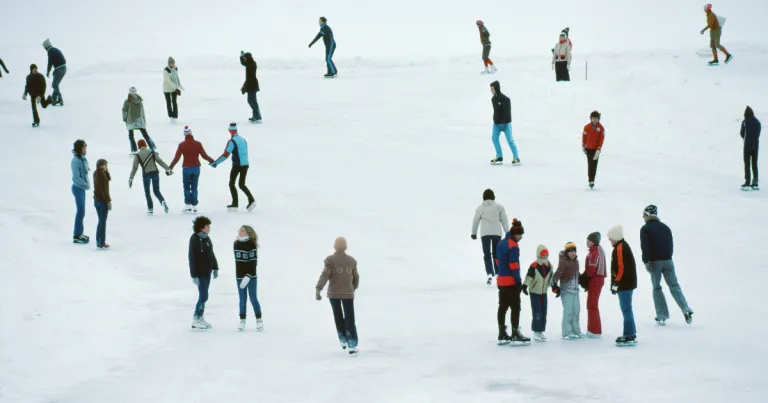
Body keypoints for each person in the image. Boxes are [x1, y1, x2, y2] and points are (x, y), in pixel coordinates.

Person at [640, 205, 694, 325]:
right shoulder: (666, 228)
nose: (643, 217)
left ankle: (662, 315)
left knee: (657, 287)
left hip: (655, 262)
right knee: (674, 285)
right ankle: (686, 309)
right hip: (668, 261)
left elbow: (645, 247)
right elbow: (671, 244)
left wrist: (646, 261)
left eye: (644, 215)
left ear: (648, 215)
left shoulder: (645, 229)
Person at [316, 237, 360, 354]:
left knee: (338, 315)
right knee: (349, 317)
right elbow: (356, 278)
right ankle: (352, 344)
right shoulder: (351, 260)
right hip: (348, 293)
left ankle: (342, 338)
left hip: (333, 293)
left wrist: (318, 288)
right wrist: (352, 288)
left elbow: (325, 275)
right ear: (345, 246)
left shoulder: (330, 260)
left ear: (335, 246)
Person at [495, 219, 530, 345]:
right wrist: (518, 281)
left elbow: (497, 261)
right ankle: (515, 333)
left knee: (502, 307)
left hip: (501, 281)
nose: (521, 237)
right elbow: (514, 265)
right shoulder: (513, 246)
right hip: (511, 282)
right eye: (520, 235)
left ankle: (502, 333)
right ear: (515, 234)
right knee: (515, 307)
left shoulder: (500, 243)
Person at [211, 123, 257, 211]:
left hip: (237, 165)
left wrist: (216, 163)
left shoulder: (232, 141)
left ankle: (235, 204)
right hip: (245, 164)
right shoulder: (243, 139)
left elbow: (225, 155)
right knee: (242, 184)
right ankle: (251, 200)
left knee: (232, 183)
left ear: (230, 131)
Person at [169, 126, 215, 213]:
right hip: (196, 168)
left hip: (186, 168)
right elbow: (204, 156)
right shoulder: (198, 144)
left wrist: (170, 167)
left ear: (185, 135)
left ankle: (188, 205)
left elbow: (177, 158)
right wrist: (212, 161)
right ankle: (194, 205)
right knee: (194, 187)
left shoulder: (182, 145)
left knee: (186, 187)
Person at [471, 188, 509, 285]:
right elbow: (504, 220)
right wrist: (507, 232)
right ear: (493, 197)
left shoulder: (480, 208)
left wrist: (473, 233)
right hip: (497, 233)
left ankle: (489, 273)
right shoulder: (499, 207)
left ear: (483, 197)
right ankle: (497, 273)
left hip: (485, 234)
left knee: (487, 255)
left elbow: (475, 221)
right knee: (497, 255)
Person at [607, 225, 638, 346]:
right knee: (627, 309)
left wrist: (616, 283)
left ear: (615, 237)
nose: (610, 240)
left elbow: (621, 267)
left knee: (626, 309)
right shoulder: (622, 246)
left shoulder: (620, 248)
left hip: (625, 284)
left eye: (610, 238)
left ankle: (629, 334)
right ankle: (630, 333)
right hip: (627, 283)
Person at [189, 216, 219, 330]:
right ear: (202, 228)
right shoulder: (194, 240)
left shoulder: (206, 238)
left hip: (207, 272)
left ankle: (200, 317)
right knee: (203, 296)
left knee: (204, 296)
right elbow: (192, 258)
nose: (209, 228)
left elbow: (211, 253)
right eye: (207, 226)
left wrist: (215, 267)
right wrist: (194, 275)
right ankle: (196, 318)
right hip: (200, 273)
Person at [129, 139, 172, 215]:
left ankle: (150, 209)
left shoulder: (138, 155)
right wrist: (168, 169)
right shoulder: (152, 151)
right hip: (155, 173)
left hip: (146, 174)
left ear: (139, 146)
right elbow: (160, 161)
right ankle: (162, 201)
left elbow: (134, 167)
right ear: (145, 144)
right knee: (156, 191)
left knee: (147, 192)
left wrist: (131, 178)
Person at [553, 242, 584, 340]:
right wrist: (554, 285)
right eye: (570, 251)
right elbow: (557, 274)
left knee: (576, 311)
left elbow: (577, 275)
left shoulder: (576, 262)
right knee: (568, 311)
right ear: (566, 252)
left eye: (574, 251)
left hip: (575, 290)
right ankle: (567, 332)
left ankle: (576, 330)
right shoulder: (563, 262)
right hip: (566, 290)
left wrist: (583, 282)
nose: (573, 253)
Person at [234, 225, 262, 331]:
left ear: (248, 233)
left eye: (242, 231)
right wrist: (240, 276)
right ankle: (242, 321)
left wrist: (248, 276)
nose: (240, 232)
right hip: (239, 277)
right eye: (240, 230)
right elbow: (238, 263)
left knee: (253, 298)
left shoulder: (251, 244)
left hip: (251, 277)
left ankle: (259, 320)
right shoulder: (236, 244)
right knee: (242, 299)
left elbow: (253, 263)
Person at [522, 245, 553, 342]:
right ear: (539, 255)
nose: (545, 257)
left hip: (544, 292)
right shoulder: (534, 265)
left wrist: (554, 286)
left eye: (546, 255)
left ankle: (541, 331)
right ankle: (536, 331)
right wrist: (525, 286)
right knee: (537, 313)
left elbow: (551, 278)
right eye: (543, 255)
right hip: (535, 292)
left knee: (544, 312)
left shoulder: (549, 265)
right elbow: (529, 277)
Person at [489, 81, 520, 165]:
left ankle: (516, 158)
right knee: (494, 138)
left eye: (492, 89)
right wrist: (495, 120)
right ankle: (499, 157)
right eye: (490, 89)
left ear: (496, 88)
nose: (491, 90)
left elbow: (508, 113)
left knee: (510, 140)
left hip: (506, 124)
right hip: (496, 125)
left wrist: (504, 122)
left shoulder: (505, 99)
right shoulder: (493, 99)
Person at [584, 231, 606, 338]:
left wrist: (584, 278)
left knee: (592, 305)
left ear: (593, 242)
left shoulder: (594, 253)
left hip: (595, 282)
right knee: (593, 305)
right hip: (597, 281)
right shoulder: (599, 251)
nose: (587, 242)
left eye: (588, 240)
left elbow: (592, 270)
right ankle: (594, 329)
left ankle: (594, 330)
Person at [123, 87, 155, 154]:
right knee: (145, 134)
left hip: (131, 120)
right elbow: (142, 110)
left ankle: (133, 150)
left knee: (131, 135)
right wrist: (143, 118)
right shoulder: (139, 100)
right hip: (139, 119)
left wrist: (124, 118)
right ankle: (152, 147)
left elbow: (124, 111)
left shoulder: (127, 101)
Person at [71, 140, 90, 244]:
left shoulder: (82, 159)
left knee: (81, 212)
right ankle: (77, 235)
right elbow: (76, 176)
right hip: (78, 188)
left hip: (81, 188)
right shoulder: (75, 161)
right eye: (84, 147)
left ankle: (79, 233)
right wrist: (85, 183)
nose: (85, 149)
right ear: (79, 148)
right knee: (80, 211)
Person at [582, 111, 605, 189]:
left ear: (598, 119)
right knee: (590, 164)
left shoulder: (601, 128)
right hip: (588, 148)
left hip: (596, 150)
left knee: (594, 164)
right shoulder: (586, 127)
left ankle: (592, 180)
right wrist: (583, 146)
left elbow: (601, 139)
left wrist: (598, 149)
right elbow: (584, 137)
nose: (595, 120)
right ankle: (590, 180)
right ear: (591, 119)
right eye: (593, 118)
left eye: (596, 118)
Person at [93, 159, 112, 249]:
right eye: (105, 165)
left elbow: (109, 178)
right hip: (102, 201)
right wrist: (108, 201)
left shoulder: (96, 173)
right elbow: (104, 190)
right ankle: (101, 242)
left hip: (96, 200)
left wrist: (106, 171)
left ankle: (99, 240)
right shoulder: (101, 176)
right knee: (102, 221)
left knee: (100, 221)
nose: (106, 166)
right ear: (100, 166)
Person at [741, 106, 761, 190]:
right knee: (754, 163)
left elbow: (742, 133)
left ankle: (747, 182)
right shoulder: (757, 122)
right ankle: (755, 182)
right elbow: (758, 133)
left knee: (747, 163)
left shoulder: (745, 121)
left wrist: (746, 139)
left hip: (747, 145)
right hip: (756, 144)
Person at [239, 51, 262, 123]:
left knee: (252, 101)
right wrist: (242, 57)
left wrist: (244, 87)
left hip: (252, 85)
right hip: (251, 84)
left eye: (245, 58)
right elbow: (244, 63)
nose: (244, 59)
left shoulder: (251, 64)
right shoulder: (250, 63)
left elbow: (245, 64)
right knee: (250, 101)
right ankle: (256, 115)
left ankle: (257, 116)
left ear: (248, 58)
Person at [42, 38, 66, 106]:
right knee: (55, 85)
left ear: (46, 46)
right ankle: (54, 99)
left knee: (54, 85)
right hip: (63, 68)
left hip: (59, 69)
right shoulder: (55, 49)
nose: (44, 48)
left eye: (44, 47)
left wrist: (48, 71)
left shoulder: (50, 51)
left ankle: (59, 98)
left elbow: (50, 62)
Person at [162, 57, 183, 122]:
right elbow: (168, 81)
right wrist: (175, 88)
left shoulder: (175, 68)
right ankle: (170, 116)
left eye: (173, 63)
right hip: (167, 88)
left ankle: (175, 116)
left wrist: (178, 87)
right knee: (169, 102)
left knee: (174, 102)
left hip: (174, 88)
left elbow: (176, 78)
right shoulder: (166, 70)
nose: (172, 64)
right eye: (171, 63)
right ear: (169, 63)